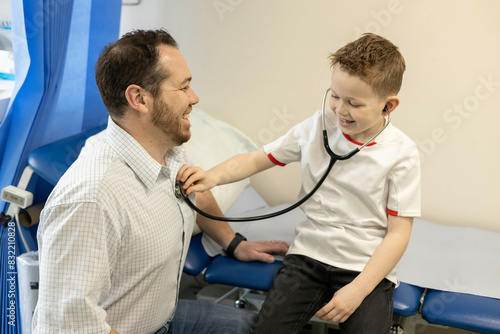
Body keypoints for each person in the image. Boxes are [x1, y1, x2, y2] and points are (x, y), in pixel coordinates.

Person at [32, 29, 289, 334]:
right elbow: (72, 327)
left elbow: (195, 188)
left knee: (272, 328)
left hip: (164, 317)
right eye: (183, 87)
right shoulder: (92, 199)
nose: (194, 98)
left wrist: (233, 243)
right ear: (139, 98)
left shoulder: (165, 146)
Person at [177, 33, 421, 334]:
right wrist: (212, 176)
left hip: (365, 266)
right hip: (308, 256)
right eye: (334, 95)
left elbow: (399, 235)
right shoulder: (317, 126)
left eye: (354, 103)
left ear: (389, 105)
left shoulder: (402, 154)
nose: (340, 110)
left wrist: (357, 291)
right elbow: (256, 159)